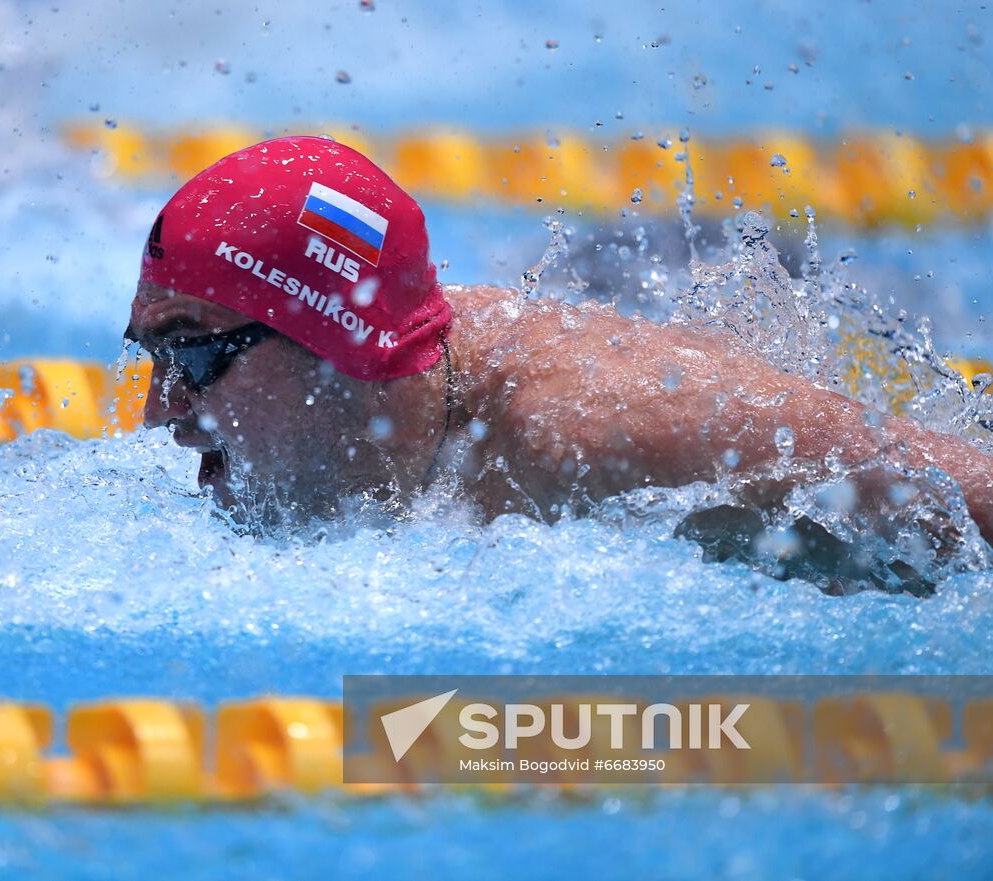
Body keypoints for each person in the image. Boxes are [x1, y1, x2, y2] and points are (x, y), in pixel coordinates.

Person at [125, 136, 993, 588]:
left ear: (338, 345)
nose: (159, 412)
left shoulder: (599, 430)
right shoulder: (400, 411)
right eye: (154, 356)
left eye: (195, 355)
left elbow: (964, 490)